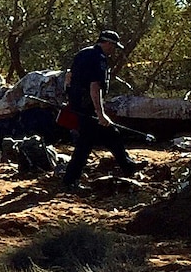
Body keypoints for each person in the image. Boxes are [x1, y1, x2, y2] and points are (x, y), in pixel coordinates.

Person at [61, 30, 147, 191]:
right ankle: (70, 180)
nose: (113, 50)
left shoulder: (83, 53)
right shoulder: (98, 58)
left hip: (78, 104)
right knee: (85, 144)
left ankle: (128, 166)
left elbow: (68, 77)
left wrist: (71, 100)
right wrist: (100, 114)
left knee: (112, 133)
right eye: (113, 46)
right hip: (88, 107)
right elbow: (95, 87)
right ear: (107, 43)